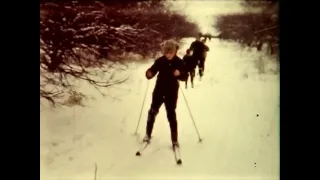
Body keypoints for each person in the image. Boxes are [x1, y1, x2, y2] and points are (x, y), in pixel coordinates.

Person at [143, 39, 187, 148]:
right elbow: (152, 70)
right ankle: (147, 135)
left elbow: (185, 76)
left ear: (175, 52)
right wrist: (149, 73)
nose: (168, 55)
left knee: (171, 115)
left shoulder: (179, 62)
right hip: (159, 91)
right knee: (152, 112)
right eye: (166, 53)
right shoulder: (160, 61)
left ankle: (175, 140)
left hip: (171, 93)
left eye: (170, 52)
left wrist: (179, 74)